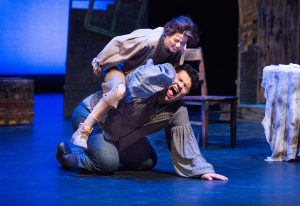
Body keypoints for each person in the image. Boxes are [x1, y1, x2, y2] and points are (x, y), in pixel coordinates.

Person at [57, 62, 228, 181]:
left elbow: (186, 142)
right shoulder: (148, 85)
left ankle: (104, 150)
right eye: (179, 79)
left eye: (185, 87)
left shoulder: (178, 110)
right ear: (169, 76)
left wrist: (202, 171)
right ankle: (70, 156)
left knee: (147, 161)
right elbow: (130, 77)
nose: (180, 86)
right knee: (107, 163)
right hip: (94, 118)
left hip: (120, 135)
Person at [71, 15, 199, 150]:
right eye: (176, 40)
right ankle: (84, 130)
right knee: (119, 91)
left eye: (183, 43)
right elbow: (118, 43)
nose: (179, 45)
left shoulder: (179, 49)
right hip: (120, 69)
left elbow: (173, 70)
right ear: (168, 33)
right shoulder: (149, 40)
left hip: (139, 78)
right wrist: (99, 60)